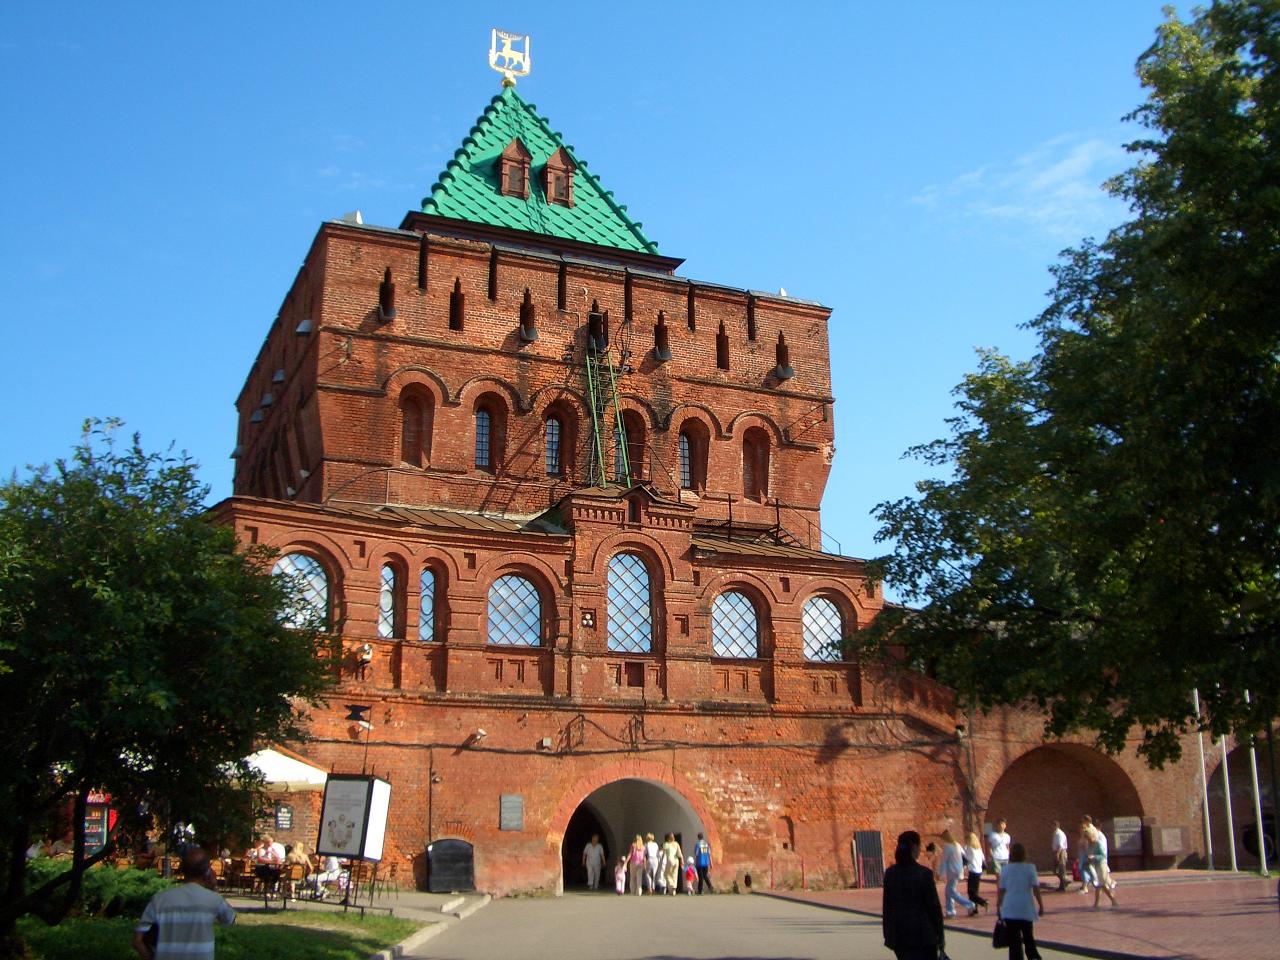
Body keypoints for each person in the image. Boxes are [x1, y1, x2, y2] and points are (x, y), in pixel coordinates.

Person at [133, 847, 235, 960]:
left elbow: (138, 941)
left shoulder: (159, 899)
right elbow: (230, 919)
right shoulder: (214, 900)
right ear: (207, 871)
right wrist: (213, 888)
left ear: (182, 869)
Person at [881, 830, 945, 960]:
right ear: (915, 848)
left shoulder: (890, 873)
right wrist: (940, 935)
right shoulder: (924, 874)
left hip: (899, 936)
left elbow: (887, 906)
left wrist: (887, 933)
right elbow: (934, 908)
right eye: (919, 846)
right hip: (924, 936)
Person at [996, 842, 1044, 960]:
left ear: (1011, 855)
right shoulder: (1030, 868)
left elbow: (1002, 890)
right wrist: (1041, 905)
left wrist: (998, 906)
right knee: (1028, 937)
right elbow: (1036, 889)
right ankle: (1033, 957)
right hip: (1026, 908)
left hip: (1010, 908)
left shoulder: (1005, 870)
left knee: (1014, 942)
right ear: (1024, 854)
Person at [938, 829, 977, 918]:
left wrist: (941, 874)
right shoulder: (957, 845)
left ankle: (969, 904)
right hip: (958, 870)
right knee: (948, 891)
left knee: (951, 891)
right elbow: (964, 857)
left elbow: (944, 861)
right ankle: (950, 911)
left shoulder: (947, 846)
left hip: (952, 871)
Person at [1084, 825, 1117, 908]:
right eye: (1086, 838)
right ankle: (1100, 902)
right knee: (1098, 884)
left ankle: (1109, 900)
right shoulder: (1089, 845)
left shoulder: (1098, 844)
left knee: (1101, 883)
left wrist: (1094, 857)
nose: (1088, 839)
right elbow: (1087, 854)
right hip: (1094, 865)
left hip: (1101, 864)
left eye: (1088, 837)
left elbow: (1103, 855)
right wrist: (1088, 860)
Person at [963, 832, 989, 911]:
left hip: (972, 871)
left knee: (971, 893)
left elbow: (965, 859)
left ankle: (983, 902)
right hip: (979, 871)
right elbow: (983, 859)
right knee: (975, 891)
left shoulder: (968, 848)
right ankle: (975, 909)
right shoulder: (978, 848)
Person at [1050, 821, 1069, 891]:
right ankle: (1065, 880)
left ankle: (1062, 886)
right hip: (1057, 852)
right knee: (1055, 870)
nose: (1051, 827)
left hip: (1061, 852)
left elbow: (1060, 845)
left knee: (1061, 869)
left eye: (1052, 826)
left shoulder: (1059, 834)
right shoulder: (1055, 833)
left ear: (1056, 826)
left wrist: (1058, 854)